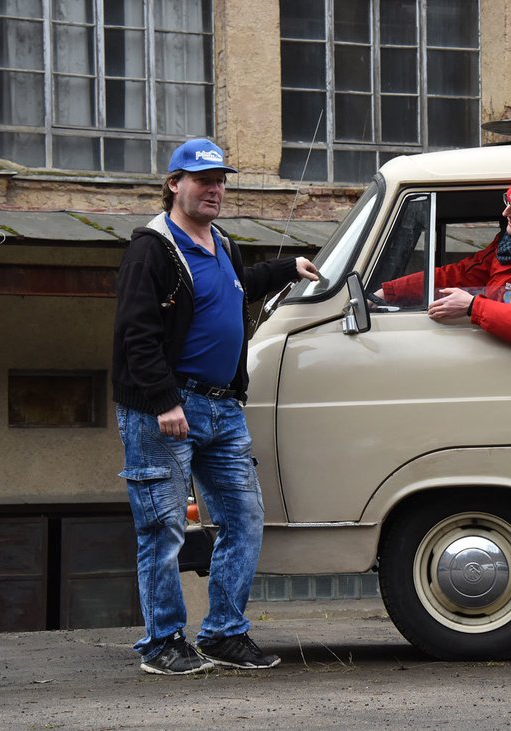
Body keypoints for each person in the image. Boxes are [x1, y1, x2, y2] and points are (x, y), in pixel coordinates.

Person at [112, 138, 319, 675]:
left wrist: (288, 268)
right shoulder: (151, 249)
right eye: (202, 180)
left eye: (221, 180)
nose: (214, 189)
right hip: (167, 410)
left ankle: (224, 634)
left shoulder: (221, 241)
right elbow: (137, 334)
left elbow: (237, 288)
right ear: (174, 184)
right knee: (162, 529)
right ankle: (162, 644)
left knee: (244, 519)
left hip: (223, 410)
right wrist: (163, 401)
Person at [374, 162, 511, 353]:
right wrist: (390, 292)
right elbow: (462, 274)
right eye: (508, 201)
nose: (505, 213)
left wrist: (473, 307)